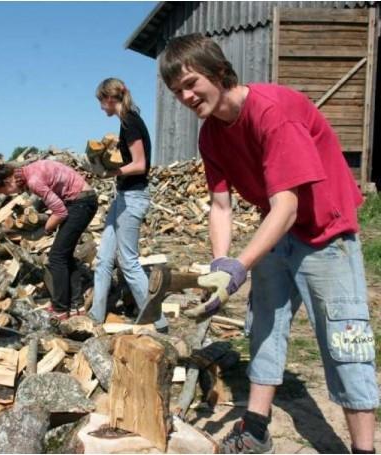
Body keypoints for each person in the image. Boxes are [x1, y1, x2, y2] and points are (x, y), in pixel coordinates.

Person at [160, 33, 378, 454]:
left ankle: (364, 449)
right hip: (277, 233)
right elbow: (220, 206)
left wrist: (242, 265)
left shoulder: (272, 112)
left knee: (345, 338)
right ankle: (256, 429)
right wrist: (221, 266)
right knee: (263, 326)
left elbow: (288, 207)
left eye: (191, 84)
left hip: (324, 232)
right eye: (176, 92)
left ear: (218, 72)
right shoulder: (210, 136)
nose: (186, 97)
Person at [89, 77, 169, 333]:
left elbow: (140, 164)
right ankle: (95, 318)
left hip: (134, 197)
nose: (101, 107)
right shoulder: (126, 123)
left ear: (111, 98)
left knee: (128, 262)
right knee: (103, 259)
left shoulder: (131, 122)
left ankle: (158, 321)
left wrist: (110, 173)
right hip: (122, 197)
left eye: (102, 101)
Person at [0, 154, 98, 320]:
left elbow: (60, 211)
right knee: (65, 255)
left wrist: (42, 232)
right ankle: (76, 306)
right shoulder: (29, 170)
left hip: (80, 203)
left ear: (8, 181)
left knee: (56, 257)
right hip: (81, 200)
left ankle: (61, 308)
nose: (10, 195)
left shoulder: (33, 181)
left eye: (5, 192)